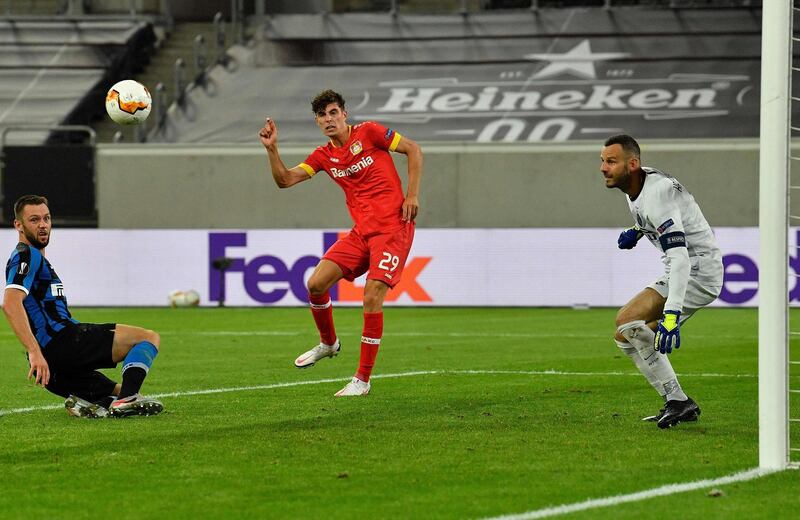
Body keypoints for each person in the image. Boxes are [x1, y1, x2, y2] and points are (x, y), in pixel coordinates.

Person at [259, 89, 422, 397]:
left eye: (333, 112)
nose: (329, 119)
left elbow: (413, 149)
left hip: (393, 229)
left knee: (372, 296)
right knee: (316, 283)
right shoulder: (324, 156)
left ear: (345, 114)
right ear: (317, 122)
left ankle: (362, 380)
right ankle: (329, 343)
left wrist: (412, 194)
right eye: (322, 115)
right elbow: (285, 180)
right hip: (362, 232)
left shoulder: (371, 133)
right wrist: (272, 149)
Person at [600, 135, 723, 429]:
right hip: (683, 268)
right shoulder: (638, 185)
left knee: (628, 320)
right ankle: (678, 402)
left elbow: (680, 257)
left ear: (633, 163)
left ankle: (678, 400)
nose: (604, 168)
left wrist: (671, 314)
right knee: (626, 333)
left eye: (611, 161)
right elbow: (670, 215)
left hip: (697, 270)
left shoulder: (656, 194)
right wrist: (639, 229)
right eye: (603, 161)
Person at [2, 195, 163, 418]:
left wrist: (38, 354)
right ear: (18, 225)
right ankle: (124, 401)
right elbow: (10, 303)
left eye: (46, 218)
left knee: (124, 393)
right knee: (148, 338)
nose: (43, 225)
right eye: (34, 220)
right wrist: (34, 351)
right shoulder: (26, 255)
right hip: (63, 344)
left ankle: (102, 403)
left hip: (55, 371)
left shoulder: (33, 259)